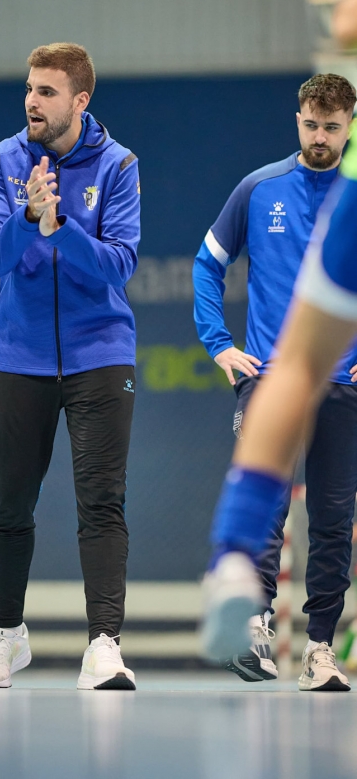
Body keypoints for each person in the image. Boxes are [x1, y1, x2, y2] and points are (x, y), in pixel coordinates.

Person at [0, 43, 140, 690]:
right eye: (28, 88)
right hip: (19, 356)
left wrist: (59, 223)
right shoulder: (1, 159)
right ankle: (6, 635)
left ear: (79, 99)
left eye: (46, 90)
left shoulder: (120, 164)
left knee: (101, 501)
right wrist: (26, 216)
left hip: (101, 354)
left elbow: (119, 263)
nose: (31, 101)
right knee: (8, 501)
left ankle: (103, 645)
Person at [194, 73, 357, 690]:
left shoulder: (354, 193)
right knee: (270, 510)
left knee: (333, 518)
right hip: (272, 370)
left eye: (333, 128)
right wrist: (220, 344)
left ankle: (320, 650)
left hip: (344, 381)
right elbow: (208, 264)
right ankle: (254, 626)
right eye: (311, 125)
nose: (320, 137)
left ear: (350, 126)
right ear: (297, 121)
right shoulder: (260, 188)